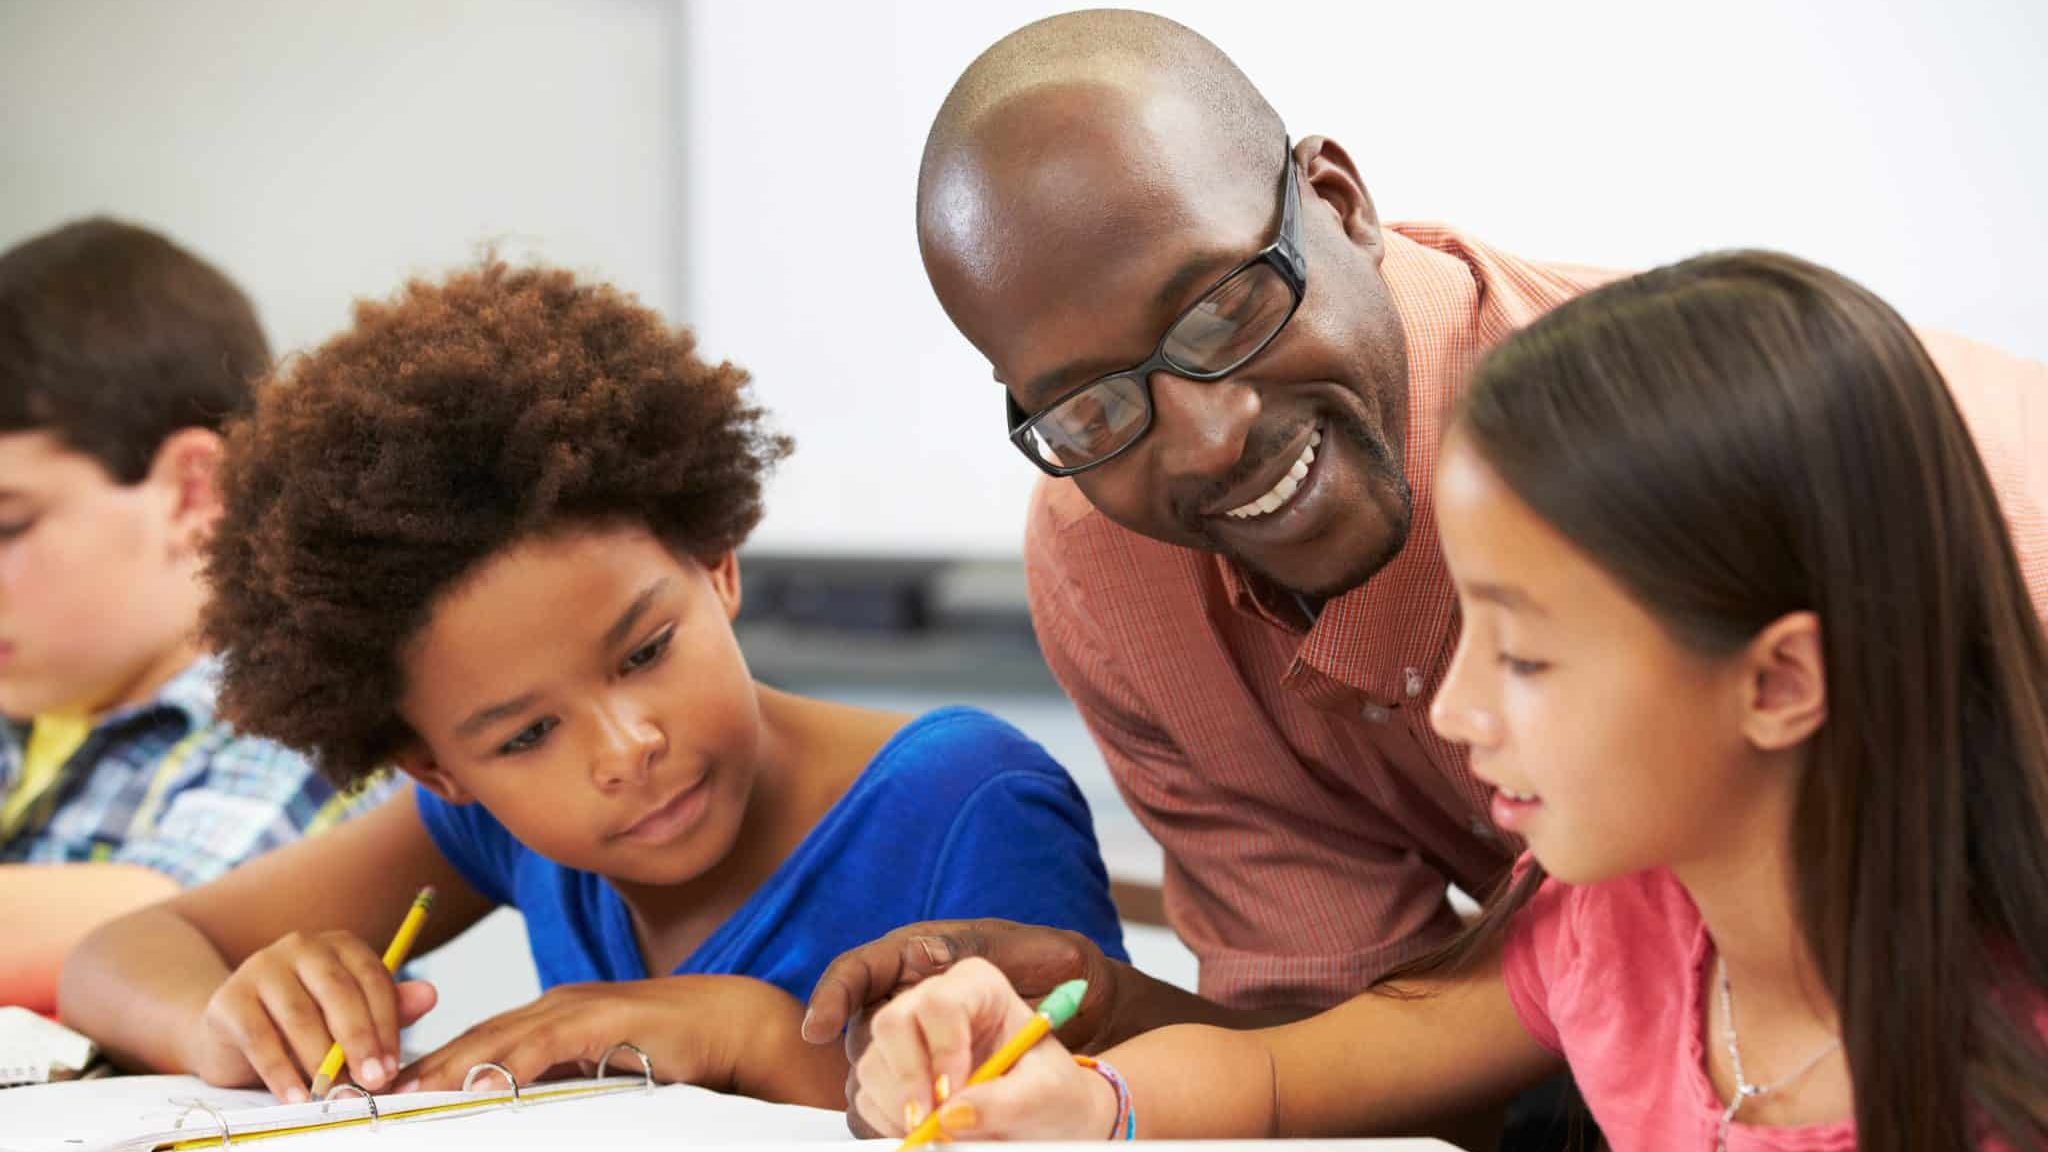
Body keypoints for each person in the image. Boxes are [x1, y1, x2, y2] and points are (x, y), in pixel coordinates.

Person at [802, 9, 2048, 1096]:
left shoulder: (1850, 486)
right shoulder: (1112, 570)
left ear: (1338, 205)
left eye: (1227, 307)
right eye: (1087, 407)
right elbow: (1358, 1068)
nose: (1208, 433)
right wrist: (1110, 1033)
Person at [56, 260, 1127, 1108]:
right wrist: (226, 1020)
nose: (624, 750)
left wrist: (744, 1036)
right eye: (524, 737)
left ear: (716, 562)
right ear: (438, 765)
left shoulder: (962, 800)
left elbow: (1078, 1113)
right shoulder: (487, 827)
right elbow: (119, 953)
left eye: (645, 651)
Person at [0, 218, 377, 1014]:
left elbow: (177, 930)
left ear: (192, 492)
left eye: (9, 526)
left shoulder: (305, 709)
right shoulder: (29, 702)